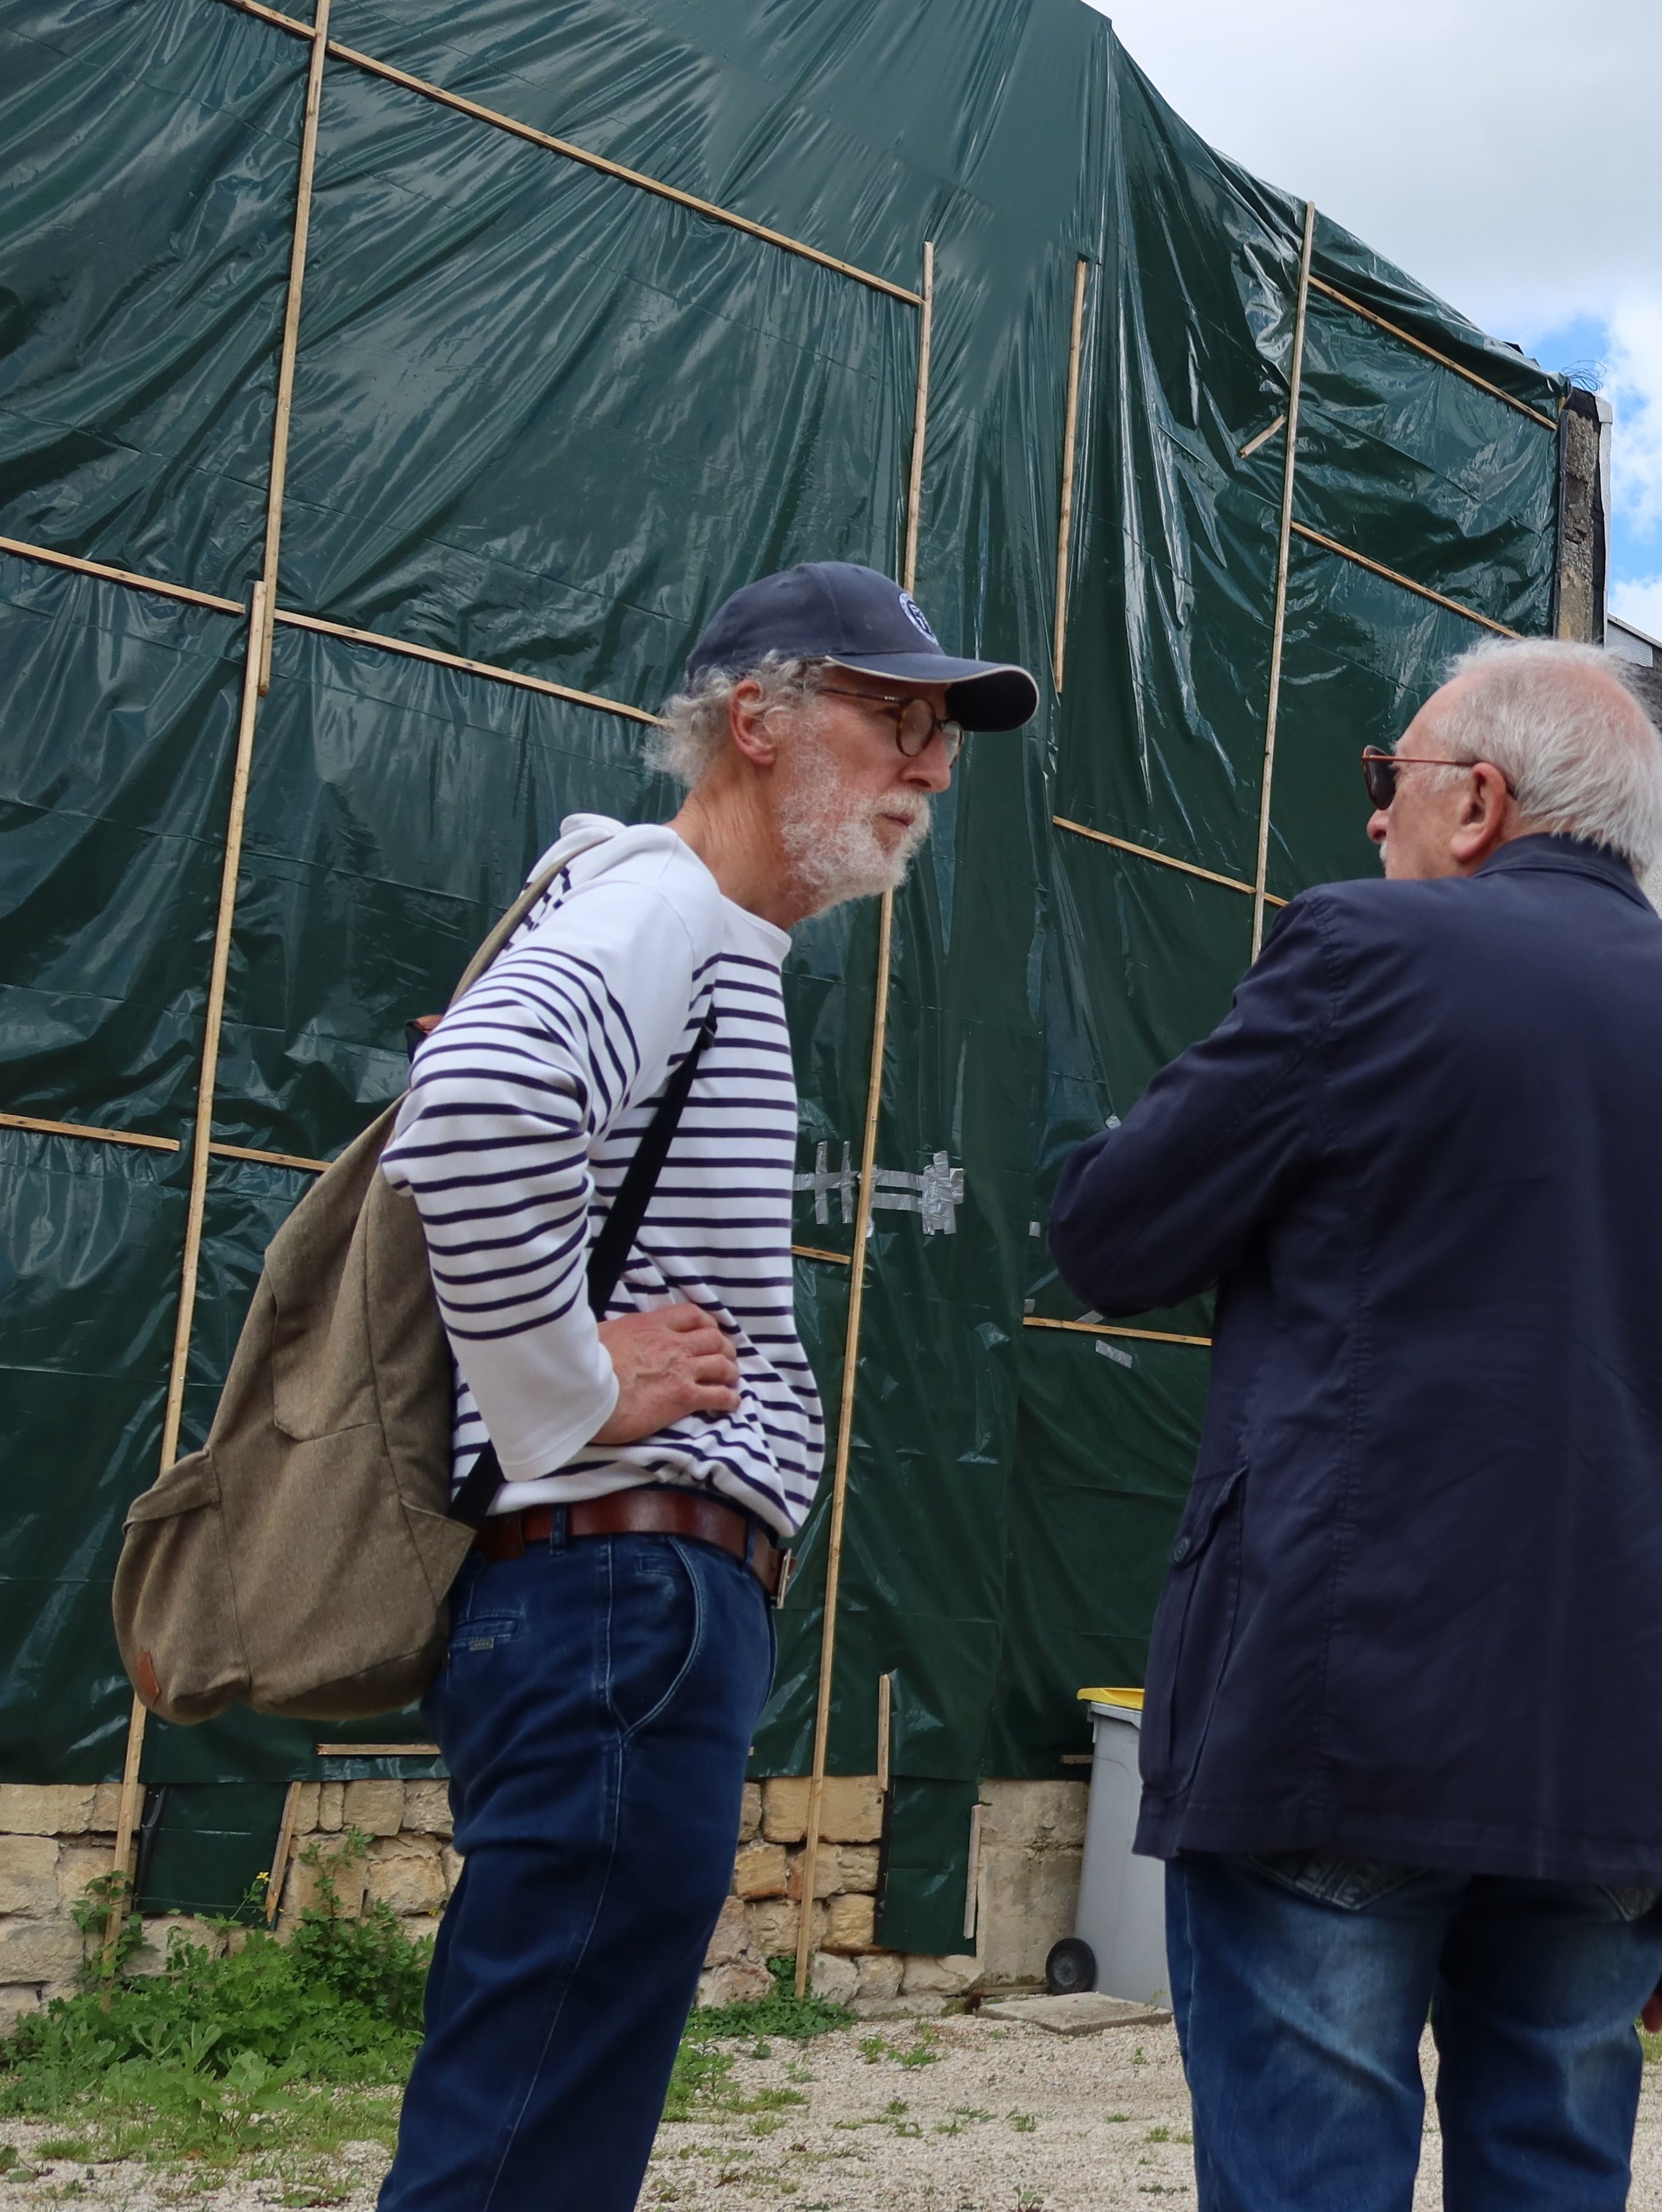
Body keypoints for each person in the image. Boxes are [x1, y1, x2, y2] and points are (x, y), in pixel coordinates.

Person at [1045, 638, 1662, 2212]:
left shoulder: (1360, 954)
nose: (1374, 821)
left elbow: (1113, 1236)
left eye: (1390, 782)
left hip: (1336, 1709)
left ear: (1481, 800)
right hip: (1632, 1753)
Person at [374, 562, 1036, 2211]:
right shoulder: (660, 904)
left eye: (941, 730)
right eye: (894, 715)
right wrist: (572, 1388)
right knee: (529, 2131)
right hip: (618, 1582)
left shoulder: (699, 927)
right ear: (756, 720)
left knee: (543, 2107)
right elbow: (468, 1108)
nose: (932, 764)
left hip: (615, 1599)